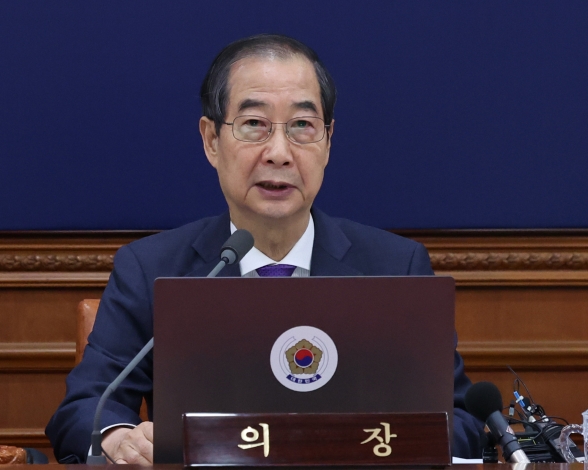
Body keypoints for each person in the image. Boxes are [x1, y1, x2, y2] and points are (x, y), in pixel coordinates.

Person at [45, 34, 484, 464]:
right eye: (254, 124)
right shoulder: (150, 268)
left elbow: (462, 423)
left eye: (301, 126)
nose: (279, 152)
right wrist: (118, 438)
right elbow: (86, 409)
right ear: (211, 141)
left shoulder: (395, 268)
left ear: (328, 141)